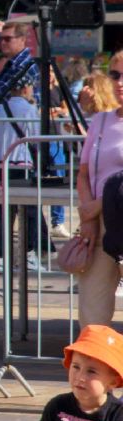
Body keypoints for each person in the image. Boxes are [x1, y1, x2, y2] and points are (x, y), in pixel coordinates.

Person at [74, 57, 123, 327]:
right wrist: (89, 217)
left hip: (118, 214)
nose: (120, 83)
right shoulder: (100, 121)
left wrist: (97, 206)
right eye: (115, 75)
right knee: (92, 310)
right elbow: (84, 173)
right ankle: (91, 367)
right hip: (101, 225)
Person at [0, 76, 42, 272]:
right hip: (21, 165)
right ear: (25, 88)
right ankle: (28, 254)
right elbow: (36, 137)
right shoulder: (29, 109)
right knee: (26, 211)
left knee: (0, 212)